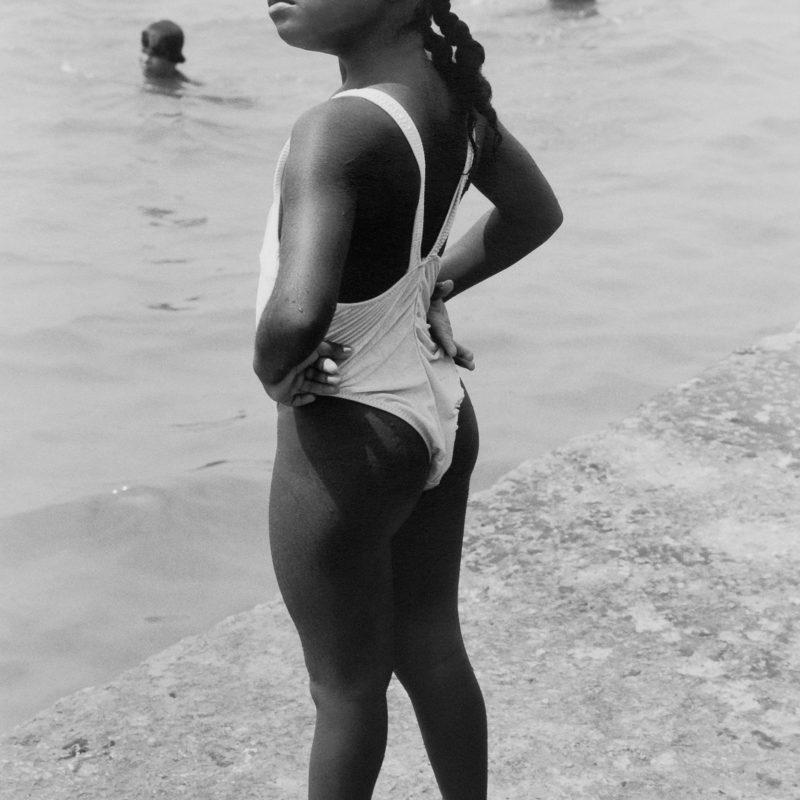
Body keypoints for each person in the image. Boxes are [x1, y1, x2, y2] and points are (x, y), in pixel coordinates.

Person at [253, 1, 562, 798]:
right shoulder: (454, 104)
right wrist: (431, 286)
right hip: (439, 408)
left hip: (351, 430)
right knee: (431, 643)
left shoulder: (337, 128)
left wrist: (273, 370)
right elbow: (535, 214)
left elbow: (296, 315)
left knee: (345, 689)